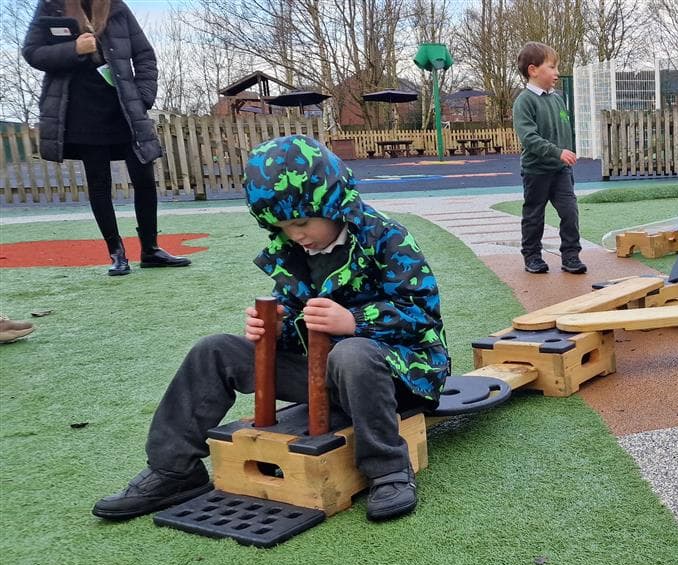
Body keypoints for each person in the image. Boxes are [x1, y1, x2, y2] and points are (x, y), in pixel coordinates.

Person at [92, 136, 448, 522]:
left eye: (302, 221)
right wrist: (277, 326)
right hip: (322, 375)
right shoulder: (292, 251)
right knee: (214, 350)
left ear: (334, 203)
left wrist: (355, 322)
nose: (296, 234)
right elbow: (298, 318)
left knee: (352, 352)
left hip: (403, 373)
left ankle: (388, 470)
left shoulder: (386, 239)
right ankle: (174, 470)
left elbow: (421, 315)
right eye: (283, 226)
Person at [23, 0, 190, 276]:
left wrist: (144, 97)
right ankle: (117, 254)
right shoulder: (51, 6)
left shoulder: (117, 7)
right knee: (99, 183)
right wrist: (74, 49)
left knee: (145, 179)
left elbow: (145, 55)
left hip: (124, 108)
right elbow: (32, 52)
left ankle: (150, 249)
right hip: (80, 111)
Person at [512, 41, 585, 275]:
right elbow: (529, 138)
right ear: (533, 70)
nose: (556, 72)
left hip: (561, 170)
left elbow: (564, 128)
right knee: (534, 215)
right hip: (537, 171)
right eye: (552, 67)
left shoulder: (557, 98)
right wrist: (557, 151)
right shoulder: (524, 101)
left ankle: (571, 255)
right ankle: (532, 256)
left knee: (570, 212)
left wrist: (567, 151)